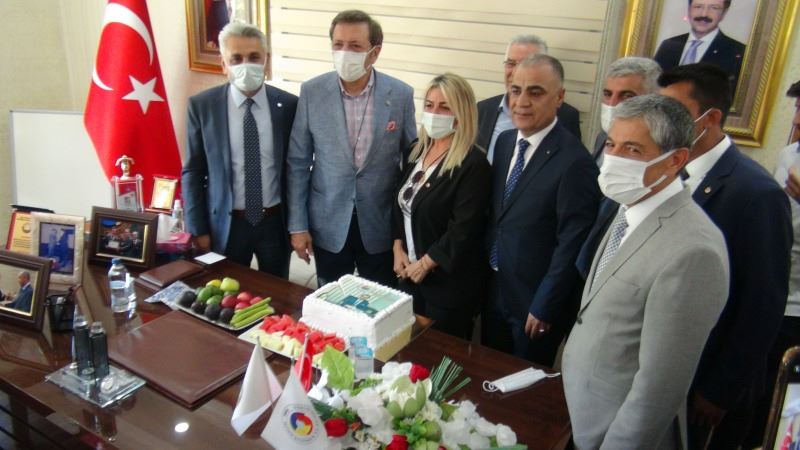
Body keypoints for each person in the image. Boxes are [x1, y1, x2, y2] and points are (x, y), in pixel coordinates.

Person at [563, 93, 729, 449]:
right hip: (583, 415)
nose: (613, 159)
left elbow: (659, 387)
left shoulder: (693, 251)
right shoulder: (628, 208)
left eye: (633, 150)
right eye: (612, 144)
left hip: (616, 433)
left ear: (676, 160)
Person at [659, 63, 792, 450]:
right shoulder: (670, 172)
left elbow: (762, 304)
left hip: (707, 380)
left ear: (710, 118)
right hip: (665, 370)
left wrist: (720, 389)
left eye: (673, 111)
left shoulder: (757, 194)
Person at [483, 54, 601, 367]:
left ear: (559, 97)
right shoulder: (506, 141)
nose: (521, 102)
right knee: (487, 374)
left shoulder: (575, 163)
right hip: (494, 288)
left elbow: (571, 243)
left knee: (524, 385)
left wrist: (545, 305)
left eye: (535, 92)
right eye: (515, 90)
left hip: (533, 305)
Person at [287, 10, 416, 287]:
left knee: (380, 300)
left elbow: (411, 162)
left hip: (380, 225)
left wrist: (405, 233)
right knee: (331, 300)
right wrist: (298, 226)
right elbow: (298, 163)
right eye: (338, 44)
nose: (345, 52)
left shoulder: (401, 95)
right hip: (328, 223)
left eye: (355, 46)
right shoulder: (312, 92)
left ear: (374, 52)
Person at [182, 22, 298, 278]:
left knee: (277, 289)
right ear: (224, 64)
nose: (246, 65)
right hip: (226, 224)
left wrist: (299, 225)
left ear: (266, 60)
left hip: (275, 223)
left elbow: (297, 169)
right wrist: (197, 228)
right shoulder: (202, 106)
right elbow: (193, 171)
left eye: (254, 57)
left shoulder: (289, 105)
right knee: (227, 289)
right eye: (236, 59)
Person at [391, 73, 491, 339]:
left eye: (445, 107)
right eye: (429, 105)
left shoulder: (473, 164)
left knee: (441, 356)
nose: (434, 113)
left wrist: (425, 263)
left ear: (461, 114)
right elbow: (401, 206)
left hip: (447, 287)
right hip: (409, 278)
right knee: (405, 349)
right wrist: (397, 247)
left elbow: (463, 229)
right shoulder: (416, 150)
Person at [744, 79, 800, 449]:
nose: (796, 119)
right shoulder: (789, 154)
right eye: (797, 108)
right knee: (760, 400)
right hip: (774, 295)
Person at [575, 57, 662, 281]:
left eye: (626, 96)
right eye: (608, 94)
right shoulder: (601, 139)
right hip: (585, 264)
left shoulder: (657, 154)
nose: (613, 104)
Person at [477, 35, 582, 163]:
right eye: (511, 64)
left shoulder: (566, 116)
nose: (516, 72)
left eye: (526, 64)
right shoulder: (482, 110)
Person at [653, 0, 745, 92]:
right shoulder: (668, 45)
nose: (704, 14)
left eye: (714, 8)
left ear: (724, 13)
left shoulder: (737, 51)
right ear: (689, 9)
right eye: (698, 7)